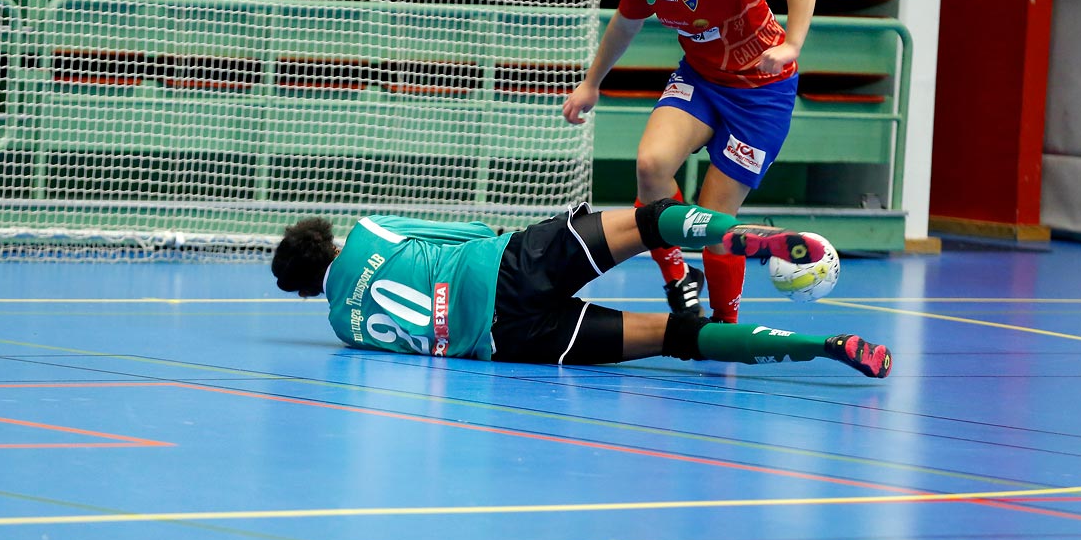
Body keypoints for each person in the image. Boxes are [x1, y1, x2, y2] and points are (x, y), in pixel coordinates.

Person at [562, 0, 818, 325]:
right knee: (651, 165)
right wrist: (591, 82)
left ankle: (725, 323)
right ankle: (679, 276)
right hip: (701, 80)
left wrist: (792, 44)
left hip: (761, 93)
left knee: (715, 219)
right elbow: (625, 23)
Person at [271, 199, 891, 378]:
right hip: (506, 268)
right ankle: (747, 236)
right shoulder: (368, 232)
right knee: (648, 222)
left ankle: (823, 345)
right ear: (325, 239)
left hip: (509, 339)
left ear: (306, 292)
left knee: (675, 336)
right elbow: (472, 230)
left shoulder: (341, 328)